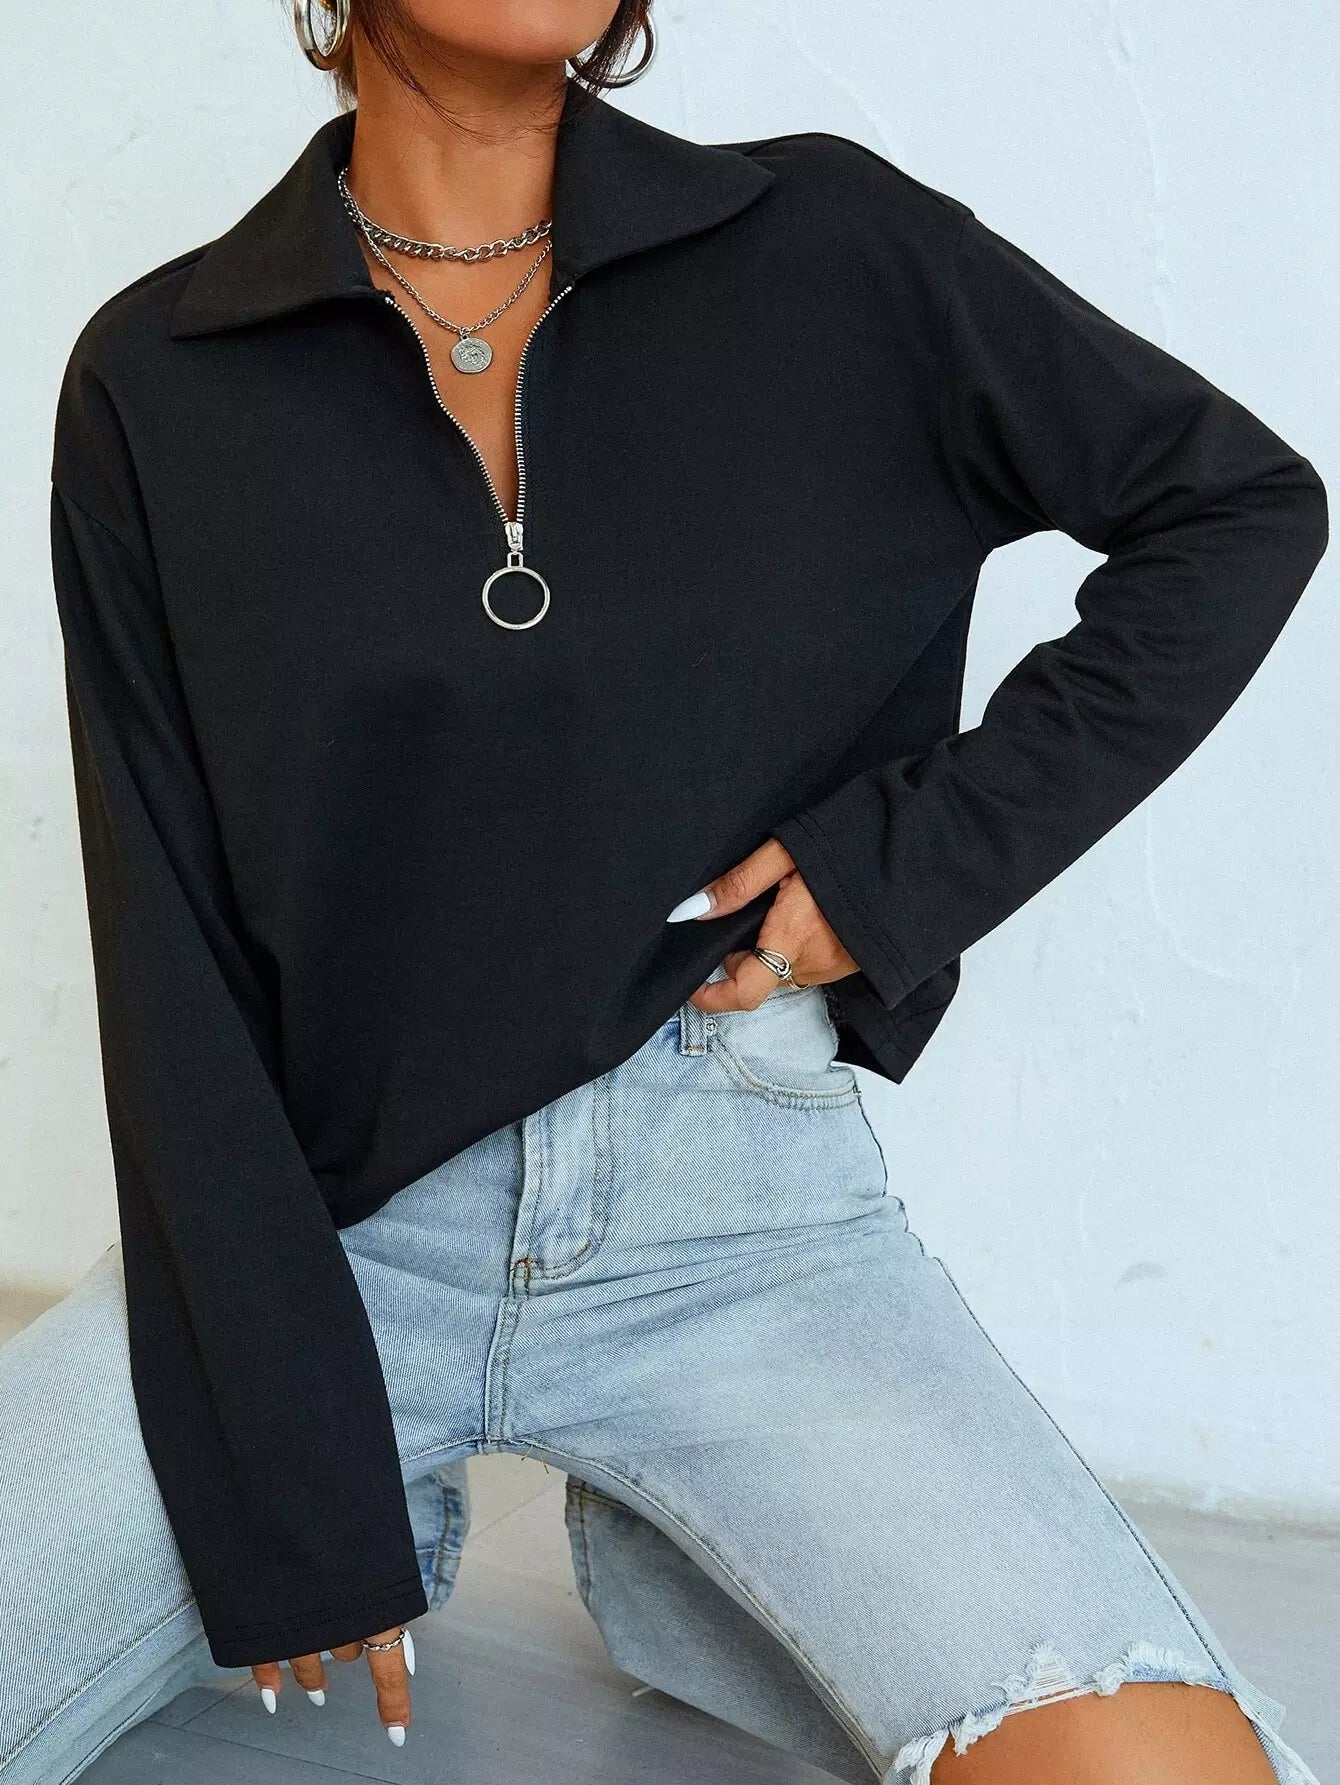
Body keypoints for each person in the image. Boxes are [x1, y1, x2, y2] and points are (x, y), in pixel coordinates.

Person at [2, 3, 1328, 1781]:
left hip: (743, 1232)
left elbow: (1236, 507)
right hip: (324, 1243)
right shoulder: (164, 374)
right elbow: (166, 945)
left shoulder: (832, 252)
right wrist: (284, 1460)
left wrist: (904, 862)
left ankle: (677, 1546)